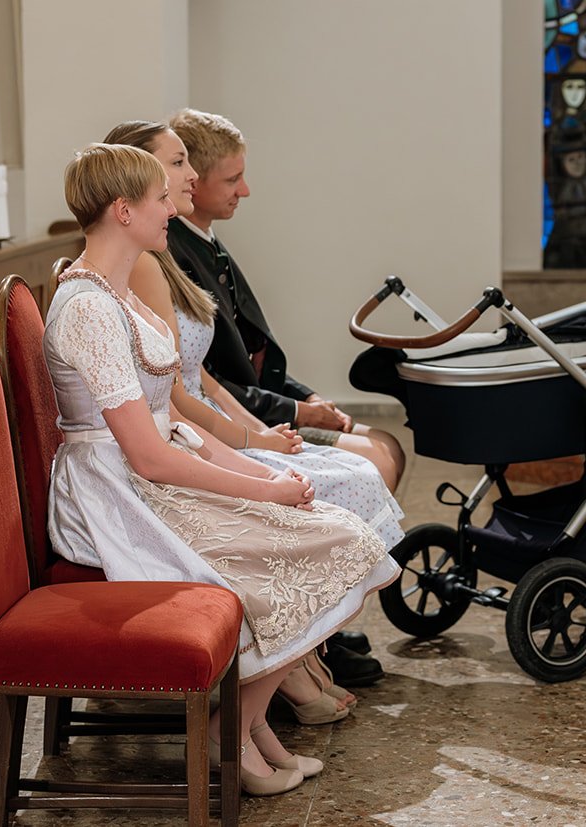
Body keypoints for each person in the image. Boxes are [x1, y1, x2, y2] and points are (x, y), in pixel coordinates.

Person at [43, 142, 398, 796]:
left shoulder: (118, 293)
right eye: (159, 198)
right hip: (117, 493)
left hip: (150, 470)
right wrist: (263, 489)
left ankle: (248, 723)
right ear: (123, 210)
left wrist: (263, 479)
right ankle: (229, 728)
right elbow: (148, 453)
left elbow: (174, 422)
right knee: (339, 543)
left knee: (339, 534)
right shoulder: (89, 308)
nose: (170, 210)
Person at [104, 119, 406, 716]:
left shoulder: (162, 256)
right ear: (135, 182)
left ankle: (308, 645)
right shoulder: (139, 266)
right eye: (178, 165)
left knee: (356, 472)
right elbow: (171, 402)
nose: (191, 177)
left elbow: (203, 377)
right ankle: (293, 654)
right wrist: (252, 446)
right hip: (172, 444)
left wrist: (258, 436)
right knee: (341, 483)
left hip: (205, 425)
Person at [165, 109, 406, 488]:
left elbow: (252, 349)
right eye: (232, 179)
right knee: (378, 456)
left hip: (255, 403)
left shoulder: (205, 242)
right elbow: (205, 378)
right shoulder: (174, 255)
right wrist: (297, 412)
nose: (244, 190)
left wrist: (307, 398)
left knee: (386, 445)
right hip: (234, 417)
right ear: (193, 181)